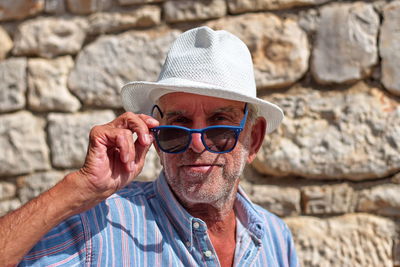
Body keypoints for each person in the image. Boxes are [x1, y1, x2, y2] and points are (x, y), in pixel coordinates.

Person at [0, 26, 298, 266]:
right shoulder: (98, 227)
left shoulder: (274, 237)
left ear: (253, 139)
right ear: (154, 134)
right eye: (177, 126)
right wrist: (80, 187)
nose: (195, 143)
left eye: (220, 123)